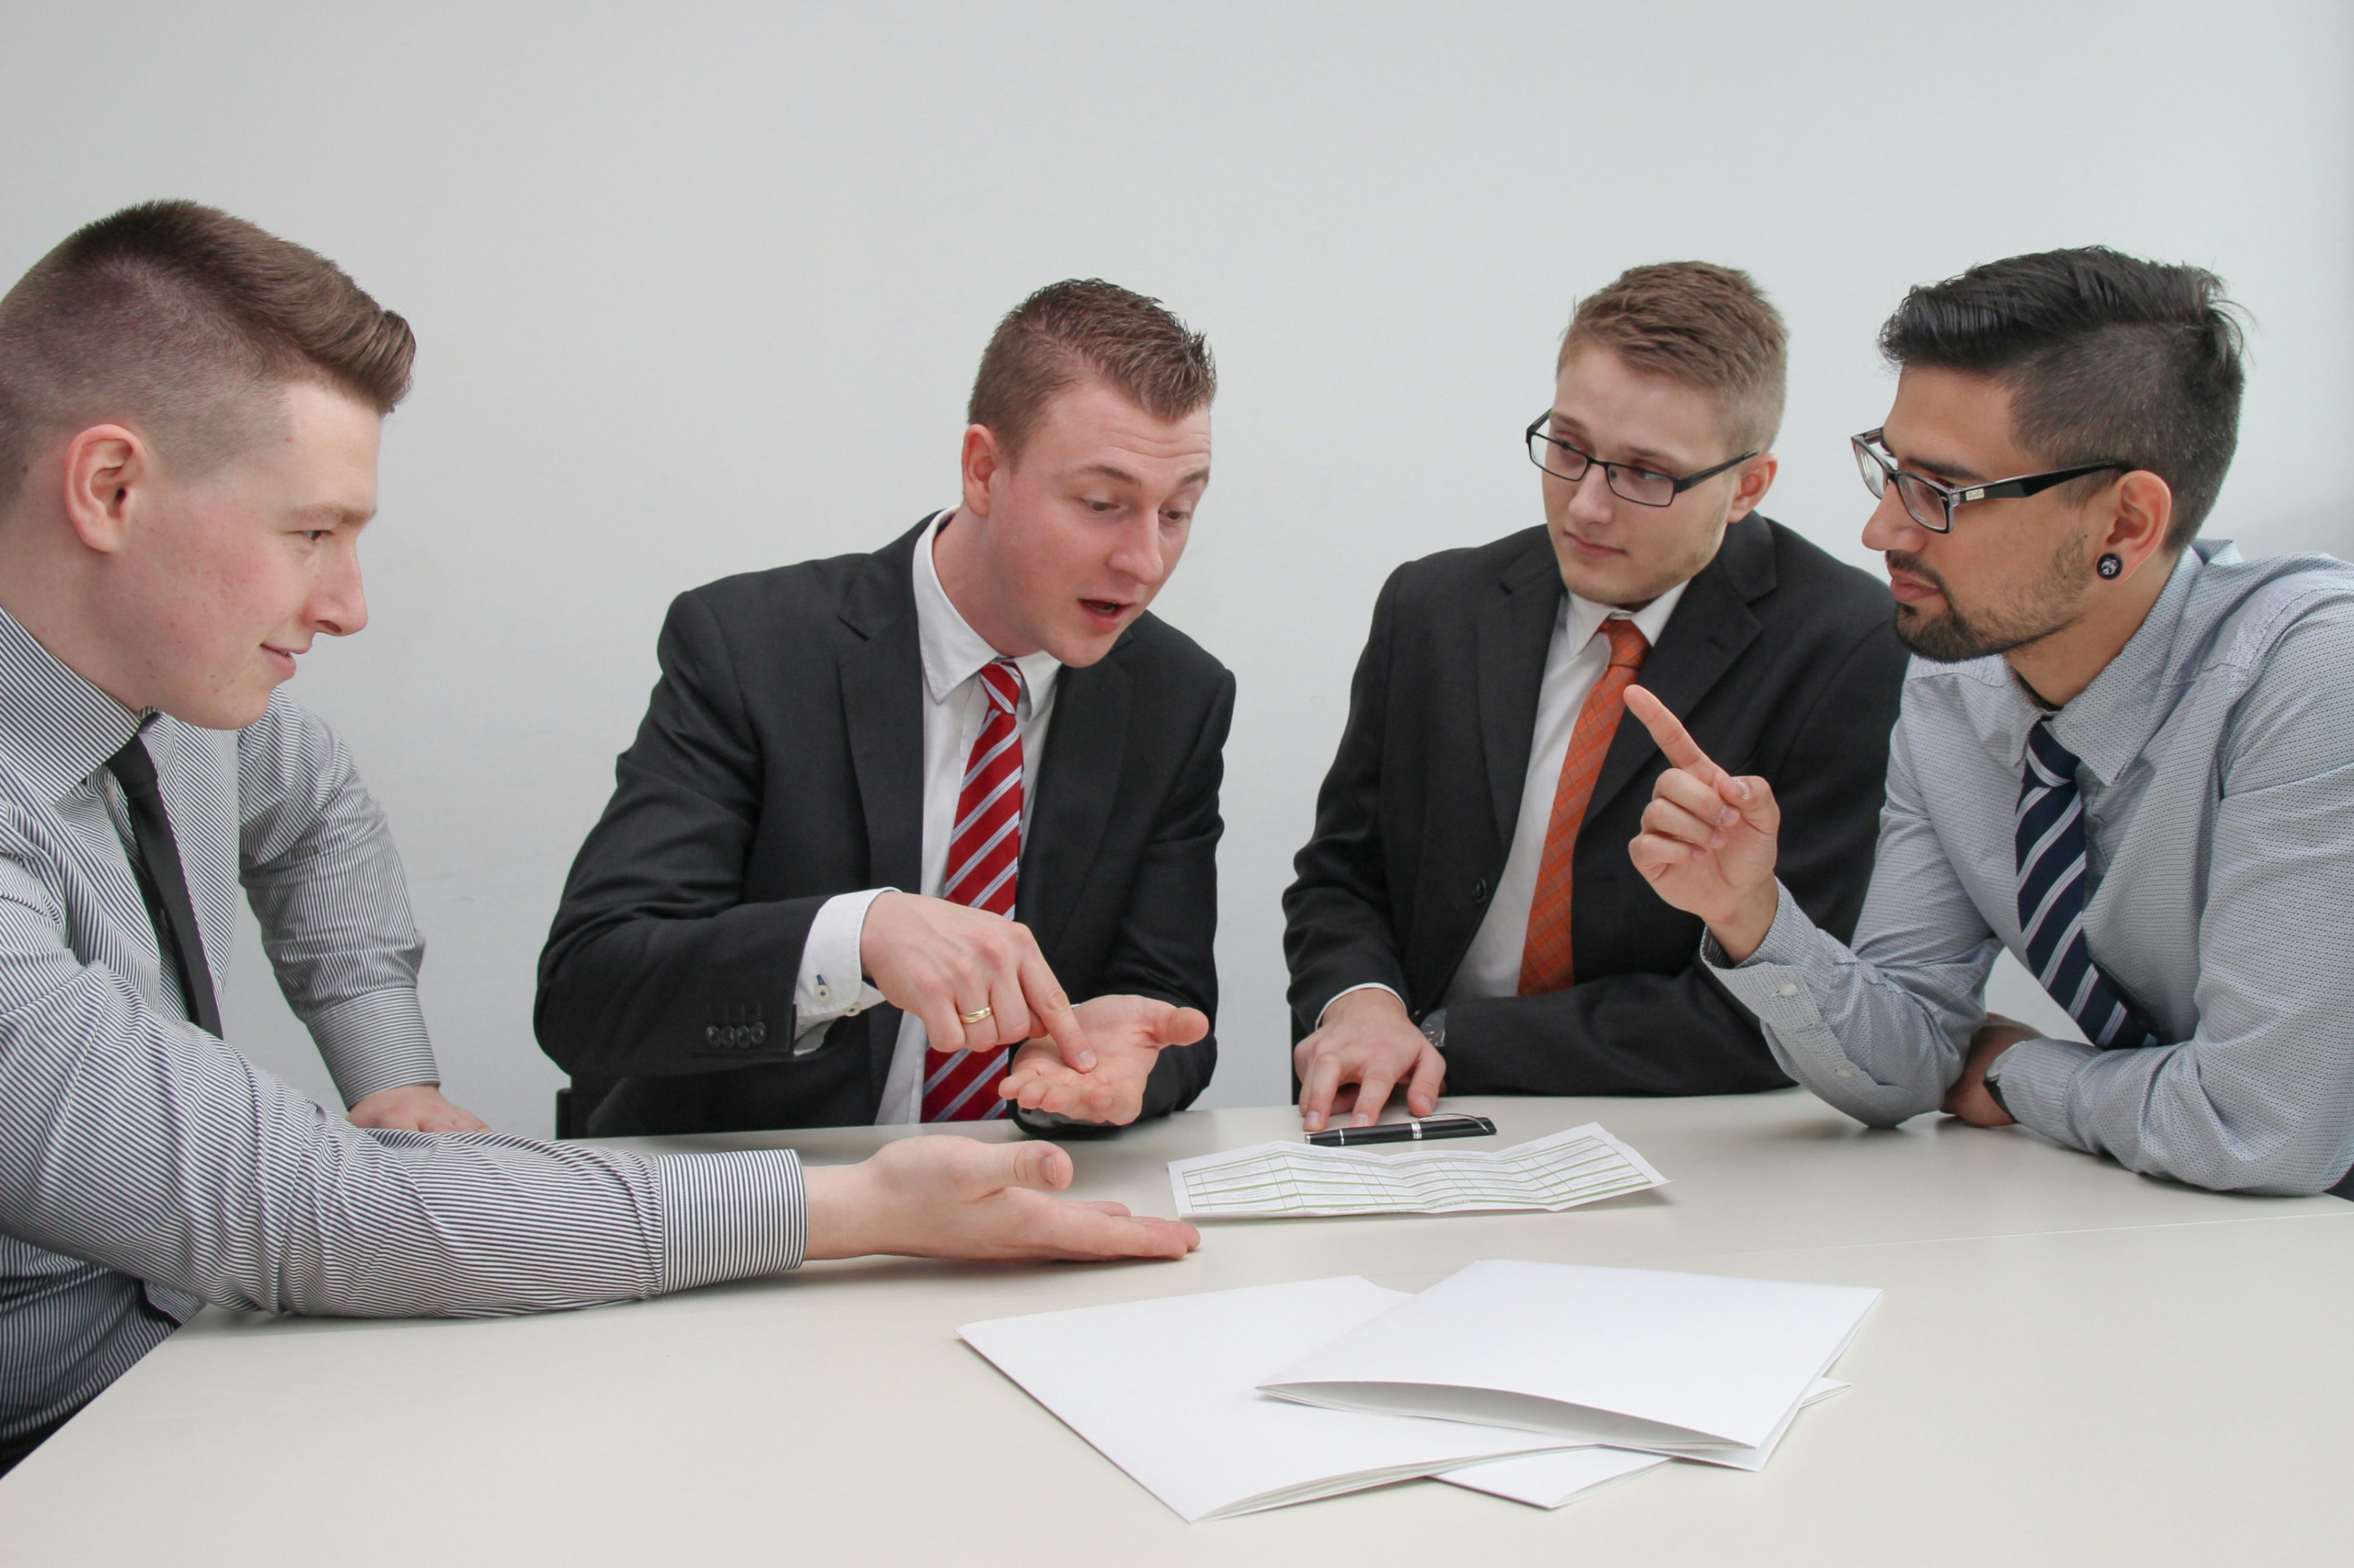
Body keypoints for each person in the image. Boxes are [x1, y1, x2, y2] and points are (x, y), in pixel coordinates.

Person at [0, 202, 1197, 1473]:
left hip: (196, 1351)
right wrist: (845, 1203)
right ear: (111, 488)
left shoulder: (183, 702)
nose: (348, 605)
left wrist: (389, 1074)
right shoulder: (750, 643)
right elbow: (315, 1205)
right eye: (311, 532)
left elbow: (315, 815)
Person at [1629, 246, 2354, 1196]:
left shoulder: (2307, 677)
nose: (1881, 530)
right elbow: (1906, 1061)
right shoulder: (1954, 686)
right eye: (1888, 470)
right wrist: (1751, 914)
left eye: (1941, 493)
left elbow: (2260, 1128)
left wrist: (2017, 1073)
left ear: (2125, 526)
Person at [537, 280, 1230, 1137]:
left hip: (1016, 1203)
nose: (1144, 559)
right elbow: (588, 988)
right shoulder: (752, 648)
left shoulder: (1176, 697)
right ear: (984, 469)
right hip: (761, 1209)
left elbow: (1169, 1008)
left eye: (1178, 510)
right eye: (1101, 504)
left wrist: (1127, 1065)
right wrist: (854, 938)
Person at [1283, 263, 1906, 1131]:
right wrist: (1360, 1007)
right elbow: (1341, 878)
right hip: (1407, 1120)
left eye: (1645, 474)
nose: (1583, 505)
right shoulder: (1433, 607)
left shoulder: (1847, 645)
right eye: (1568, 447)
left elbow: (1779, 1004)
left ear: (1748, 487)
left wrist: (1446, 1036)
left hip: (1693, 1139)